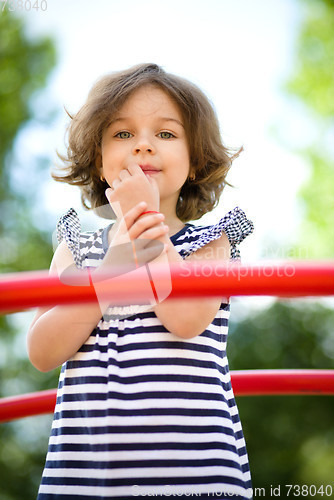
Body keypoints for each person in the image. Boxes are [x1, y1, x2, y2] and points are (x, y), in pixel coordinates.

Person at [27, 63, 254, 499]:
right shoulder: (75, 246)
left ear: (195, 162)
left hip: (195, 477)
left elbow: (185, 318)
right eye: (123, 134)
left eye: (166, 135)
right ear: (99, 157)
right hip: (86, 481)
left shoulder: (212, 242)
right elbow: (42, 351)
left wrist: (144, 221)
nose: (144, 146)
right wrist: (110, 270)